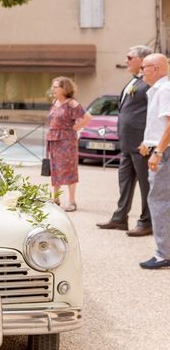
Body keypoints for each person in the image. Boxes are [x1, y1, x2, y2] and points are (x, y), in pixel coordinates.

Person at [97, 45, 153, 235]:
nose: (126, 60)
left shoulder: (150, 84)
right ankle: (120, 218)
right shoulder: (134, 82)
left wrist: (148, 140)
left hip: (141, 144)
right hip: (127, 144)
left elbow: (153, 115)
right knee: (124, 182)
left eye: (130, 57)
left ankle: (147, 222)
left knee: (146, 185)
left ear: (142, 60)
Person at [138, 53, 170, 269]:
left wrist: (157, 151)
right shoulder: (158, 90)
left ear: (157, 68)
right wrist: (147, 142)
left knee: (159, 202)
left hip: (165, 152)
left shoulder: (165, 89)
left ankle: (163, 254)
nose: (141, 71)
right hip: (161, 149)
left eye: (144, 67)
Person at [46, 77, 92, 212]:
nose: (53, 89)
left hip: (67, 141)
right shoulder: (55, 102)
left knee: (69, 169)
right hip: (54, 140)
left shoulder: (72, 103)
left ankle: (72, 201)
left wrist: (75, 128)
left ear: (64, 88)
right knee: (55, 169)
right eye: (53, 86)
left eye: (56, 87)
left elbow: (88, 117)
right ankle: (55, 198)